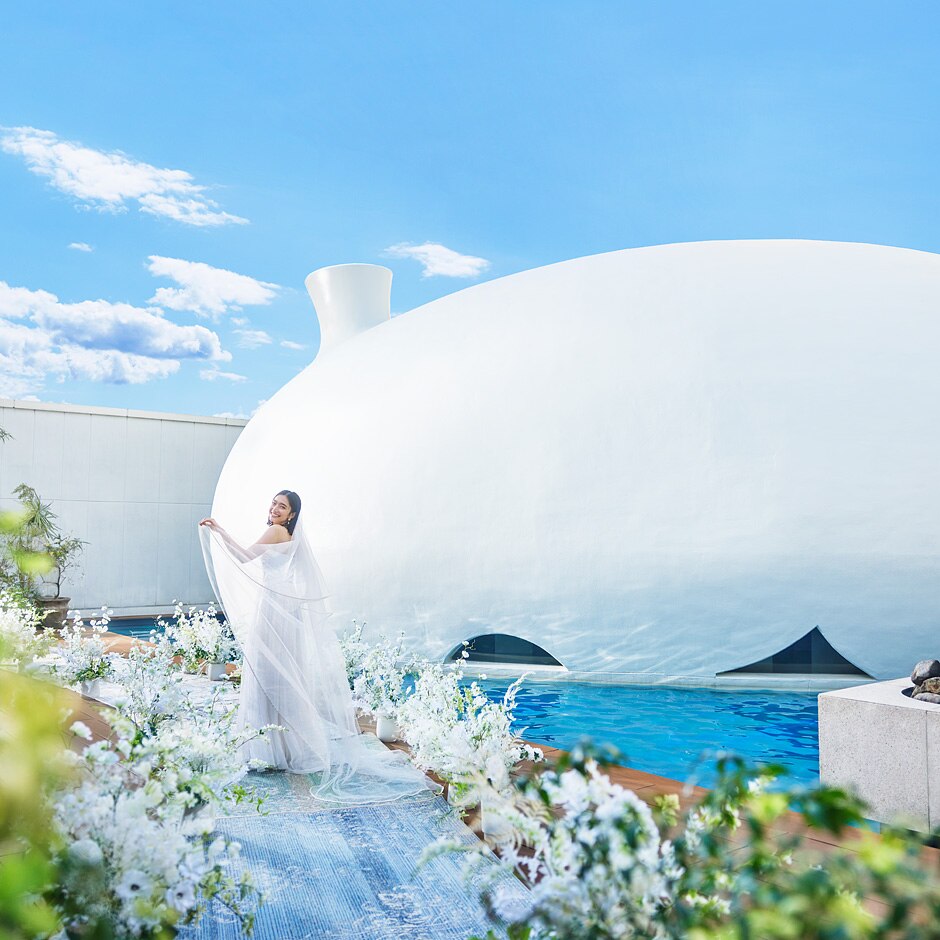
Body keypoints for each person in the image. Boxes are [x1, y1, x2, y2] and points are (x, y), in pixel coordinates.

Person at [198, 490, 431, 804]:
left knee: (268, 673)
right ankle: (287, 745)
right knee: (283, 675)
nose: (275, 508)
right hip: (285, 605)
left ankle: (268, 747)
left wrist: (219, 531)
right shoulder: (290, 536)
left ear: (292, 514)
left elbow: (243, 557)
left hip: (273, 607)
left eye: (282, 506)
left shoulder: (275, 531)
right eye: (274, 503)